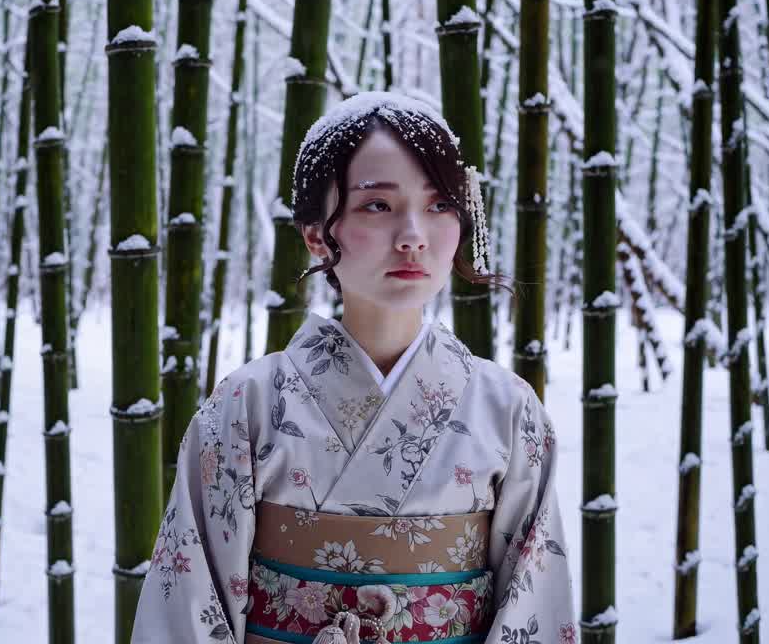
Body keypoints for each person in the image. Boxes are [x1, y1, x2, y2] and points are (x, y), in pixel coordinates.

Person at [131, 92, 577, 644]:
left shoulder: (508, 411)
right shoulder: (247, 405)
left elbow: (535, 602)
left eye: (439, 205)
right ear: (317, 234)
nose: (414, 234)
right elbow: (190, 606)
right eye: (377, 205)